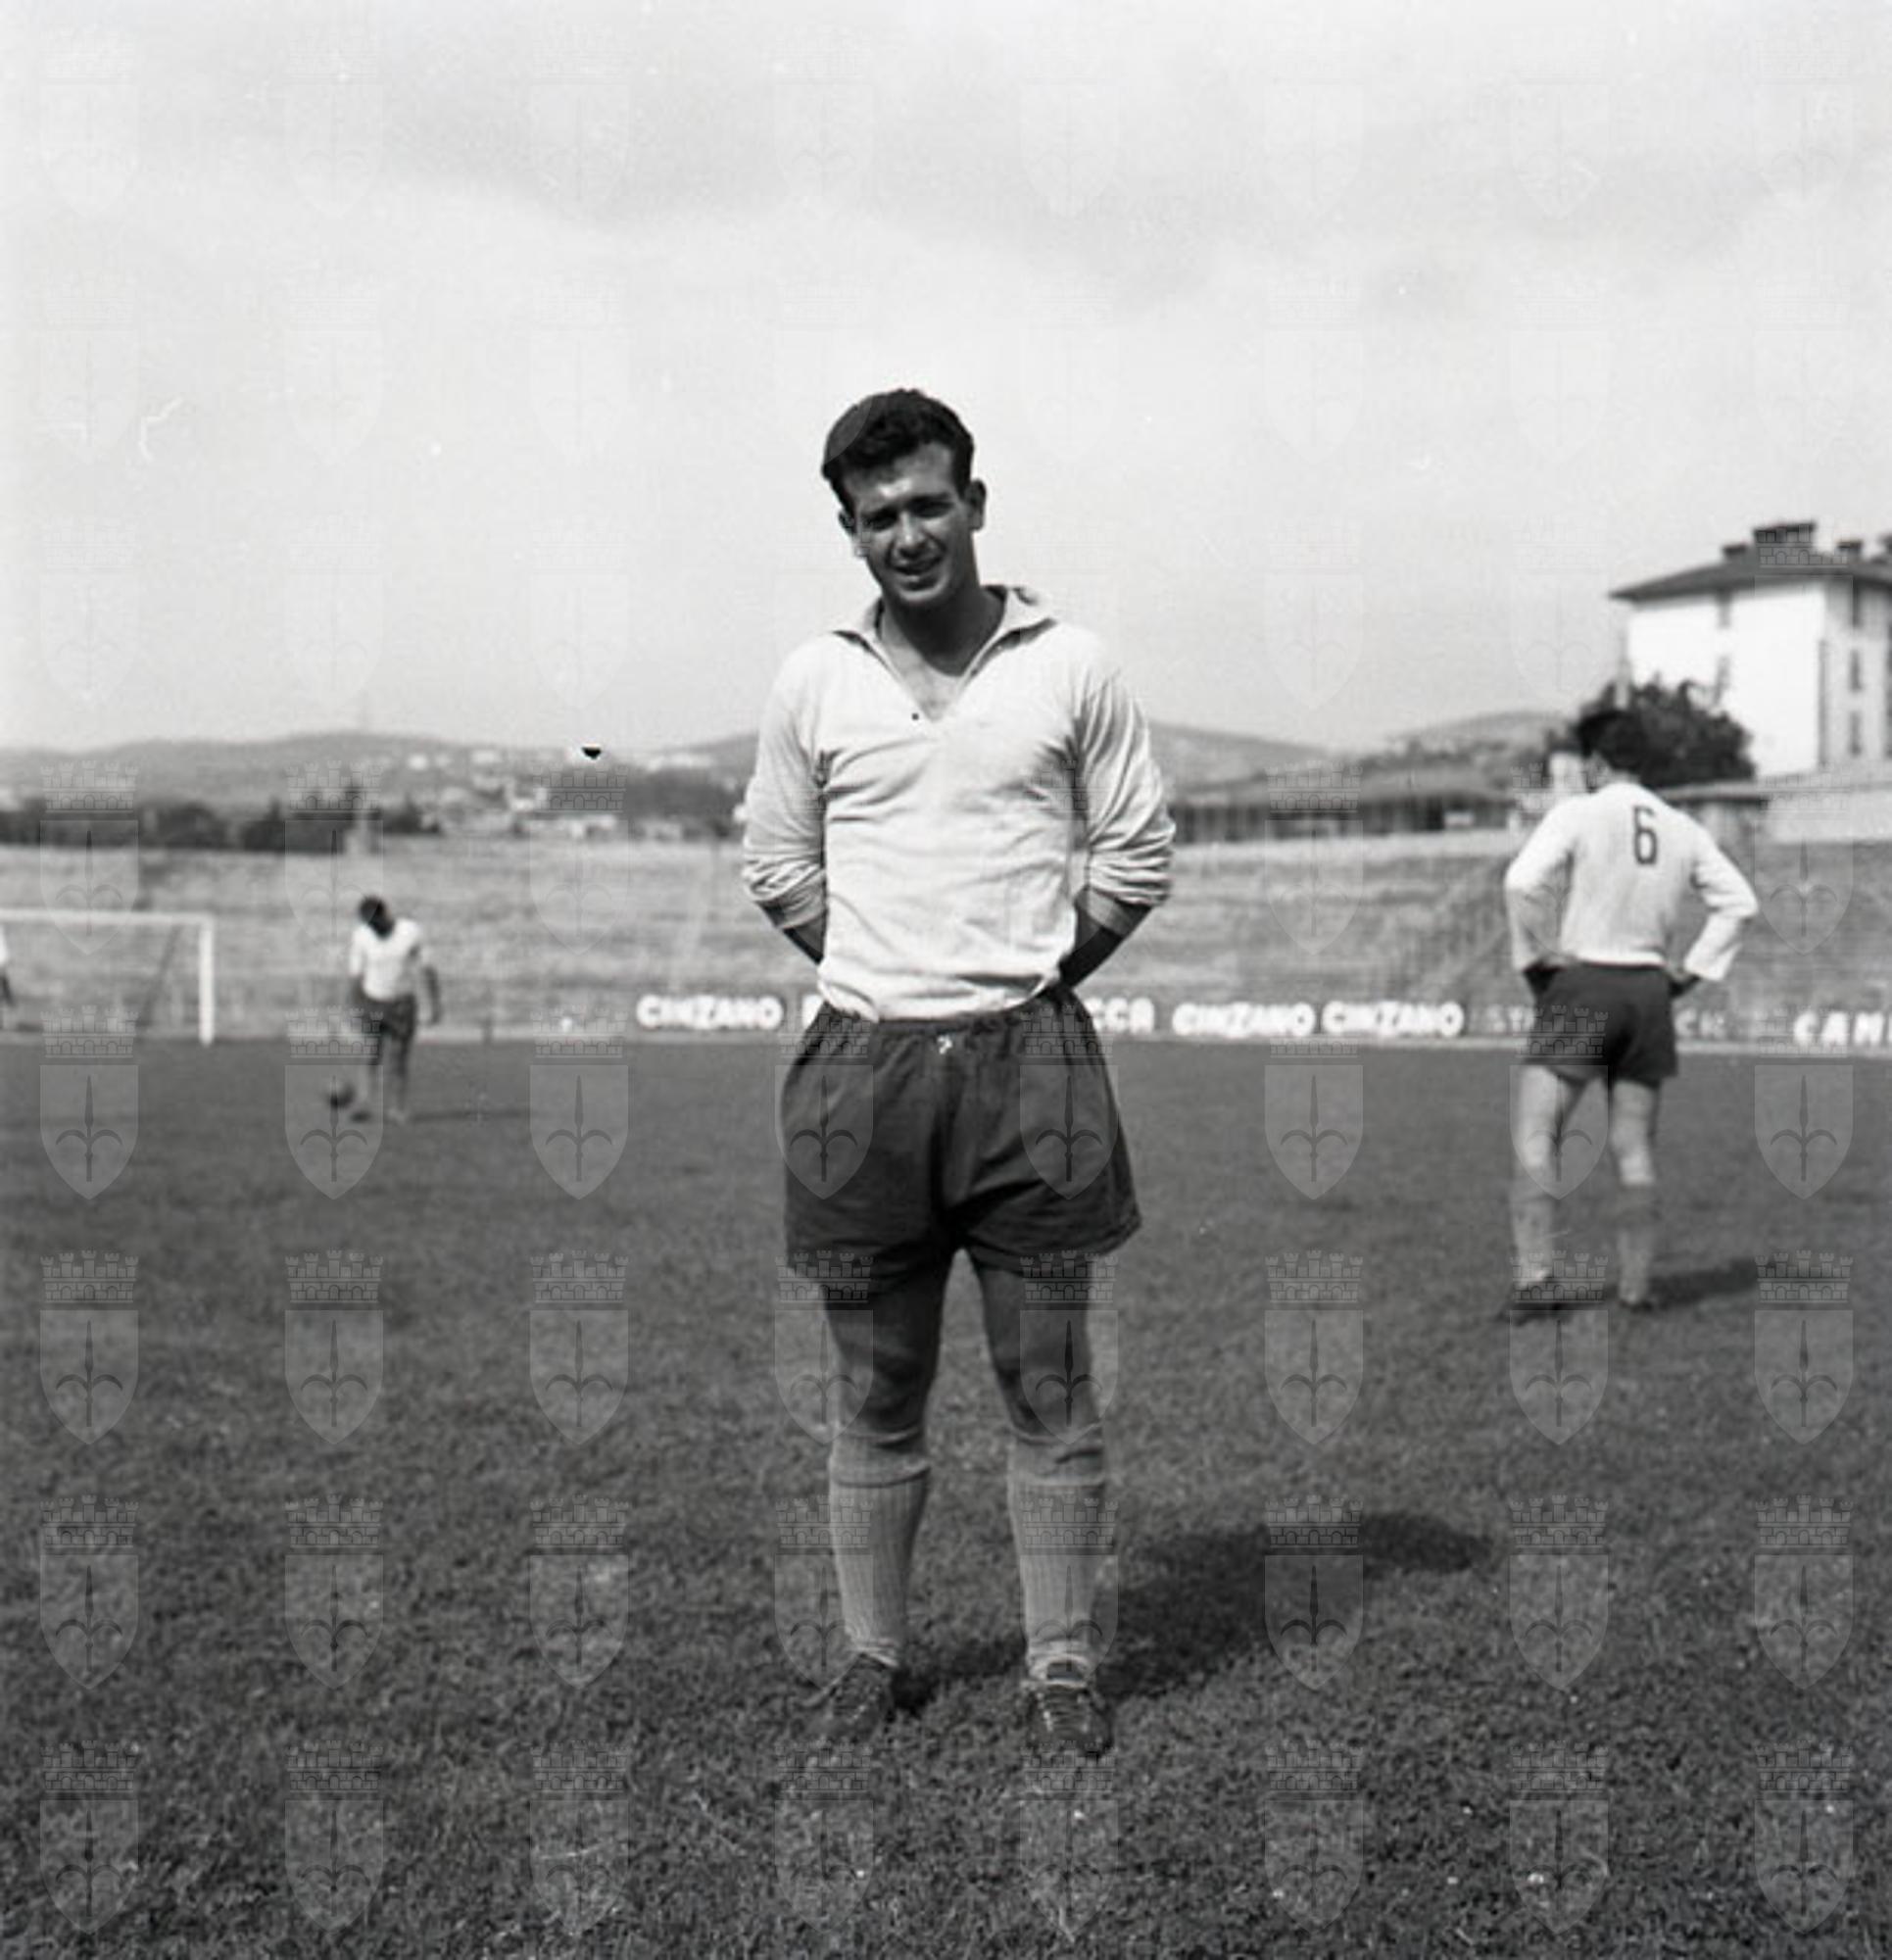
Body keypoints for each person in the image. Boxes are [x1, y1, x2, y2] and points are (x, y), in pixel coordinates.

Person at [743, 389, 1173, 1755]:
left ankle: (1060, 1661)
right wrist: (881, 969)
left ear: (974, 504)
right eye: (878, 517)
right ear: (849, 531)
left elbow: (1134, 852)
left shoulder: (1071, 665)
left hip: (1029, 1067)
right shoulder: (814, 681)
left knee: (1046, 1382)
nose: (908, 534)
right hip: (861, 1074)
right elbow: (775, 862)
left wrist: (1029, 976)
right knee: (873, 1387)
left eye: (929, 504)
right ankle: (872, 1654)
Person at [1502, 706, 1756, 1313]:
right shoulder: (1682, 827)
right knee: (1634, 1145)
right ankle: (1637, 1288)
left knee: (1539, 1134)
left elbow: (1520, 882)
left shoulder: (1579, 812)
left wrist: (1537, 958)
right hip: (1647, 993)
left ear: (1595, 762)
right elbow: (1740, 903)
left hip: (1585, 982)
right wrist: (1691, 972)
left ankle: (1536, 1281)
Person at [342, 895, 440, 1124]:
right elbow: (356, 976)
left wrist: (434, 1003)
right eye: (369, 924)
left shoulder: (410, 931)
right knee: (370, 1055)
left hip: (401, 1004)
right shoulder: (361, 936)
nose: (373, 928)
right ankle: (364, 1104)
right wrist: (351, 1008)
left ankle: (398, 1108)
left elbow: (427, 968)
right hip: (371, 1001)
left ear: (385, 914)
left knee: (398, 1058)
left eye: (375, 922)